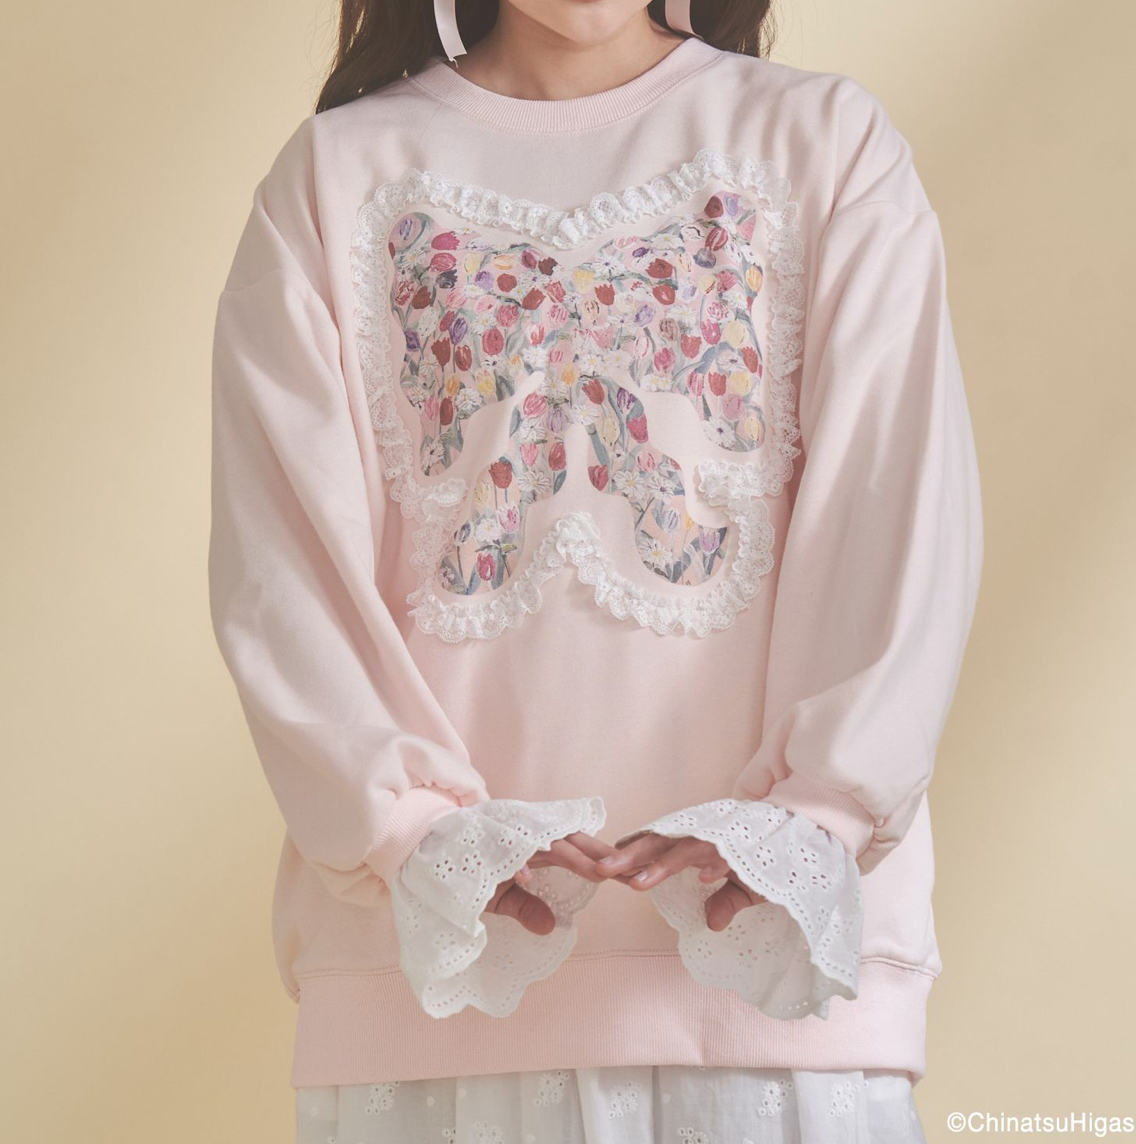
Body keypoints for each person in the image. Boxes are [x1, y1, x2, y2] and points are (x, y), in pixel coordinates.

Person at [207, 1, 984, 1140]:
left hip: (773, 968)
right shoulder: (334, 178)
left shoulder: (826, 146)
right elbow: (280, 568)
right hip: (437, 970)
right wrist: (414, 836)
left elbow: (899, 505)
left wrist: (811, 819)